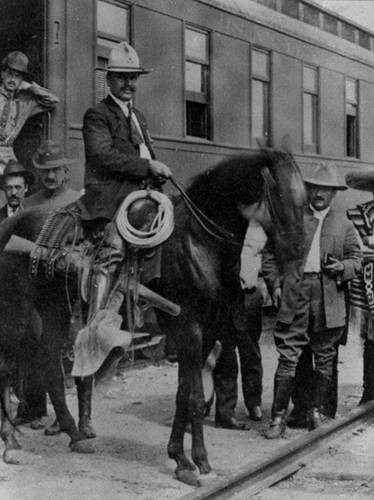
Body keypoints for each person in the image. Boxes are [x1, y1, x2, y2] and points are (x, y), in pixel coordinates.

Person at [262, 162, 361, 438]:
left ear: (334, 194)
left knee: (325, 357)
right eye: (315, 187)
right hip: (296, 293)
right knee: (288, 357)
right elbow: (270, 254)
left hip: (329, 294)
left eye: (326, 189)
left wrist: (343, 268)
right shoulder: (292, 219)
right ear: (309, 190)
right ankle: (278, 418)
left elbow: (356, 259)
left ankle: (315, 412)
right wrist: (275, 285)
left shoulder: (344, 225)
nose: (319, 193)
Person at [77, 40, 171, 322]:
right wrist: (148, 166)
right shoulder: (97, 115)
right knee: (113, 248)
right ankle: (95, 324)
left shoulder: (138, 117)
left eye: (133, 77)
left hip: (140, 197)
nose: (129, 83)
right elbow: (102, 156)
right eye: (122, 77)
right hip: (109, 198)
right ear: (109, 79)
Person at [16, 140, 80, 429]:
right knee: (28, 347)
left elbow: (89, 243)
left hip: (62, 288)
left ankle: (63, 417)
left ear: (65, 170)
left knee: (52, 349)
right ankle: (33, 409)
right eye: (44, 171)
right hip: (30, 286)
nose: (50, 176)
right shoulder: (29, 204)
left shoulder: (77, 201)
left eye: (55, 170)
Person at [213, 220, 266, 429]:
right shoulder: (224, 223)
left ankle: (253, 403)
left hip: (250, 295)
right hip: (225, 296)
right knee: (225, 354)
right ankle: (225, 412)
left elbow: (272, 257)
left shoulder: (260, 228)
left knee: (250, 351)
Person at [345, 169, 374, 405]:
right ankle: (370, 392)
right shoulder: (359, 215)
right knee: (371, 339)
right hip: (369, 284)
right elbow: (356, 250)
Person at [0, 51, 59, 165]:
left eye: (18, 76)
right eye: (9, 73)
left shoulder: (25, 103)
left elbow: (53, 100)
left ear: (22, 79)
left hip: (7, 156)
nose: (13, 79)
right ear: (2, 73)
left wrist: (30, 87)